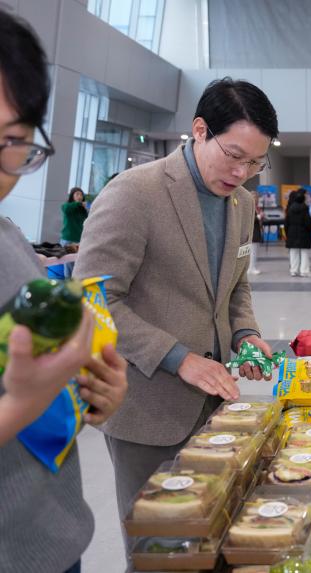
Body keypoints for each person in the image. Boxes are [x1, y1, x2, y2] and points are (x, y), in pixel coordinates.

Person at [74, 77, 277, 553]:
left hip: (216, 407)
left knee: (213, 542)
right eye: (233, 155)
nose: (242, 172)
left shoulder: (242, 204)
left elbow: (235, 283)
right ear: (200, 130)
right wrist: (178, 357)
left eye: (255, 162)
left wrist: (246, 333)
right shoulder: (135, 193)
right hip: (147, 409)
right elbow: (92, 299)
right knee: (159, 552)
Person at [0, 10, 128, 572]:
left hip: (51, 540)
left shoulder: (8, 238)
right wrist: (22, 404)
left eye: (12, 142)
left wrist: (87, 396)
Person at [60, 186, 88, 276]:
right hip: (68, 240)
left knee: (78, 266)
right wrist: (79, 204)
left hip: (79, 240)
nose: (80, 196)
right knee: (69, 266)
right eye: (77, 194)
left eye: (81, 194)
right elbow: (66, 209)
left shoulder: (82, 210)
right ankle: (69, 287)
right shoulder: (67, 206)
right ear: (72, 196)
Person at [285, 188, 311, 277]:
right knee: (304, 253)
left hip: (292, 233)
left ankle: (293, 270)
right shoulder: (305, 209)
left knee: (293, 253)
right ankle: (304, 271)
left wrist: (287, 233)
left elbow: (286, 223)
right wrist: (310, 229)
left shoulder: (290, 209)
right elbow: (308, 222)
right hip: (303, 234)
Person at [248, 189, 263, 274]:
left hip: (256, 231)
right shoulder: (249, 206)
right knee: (252, 252)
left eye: (257, 197)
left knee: (254, 251)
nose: (257, 199)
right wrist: (259, 217)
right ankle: (251, 268)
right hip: (252, 233)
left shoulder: (257, 207)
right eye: (255, 197)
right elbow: (250, 219)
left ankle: (252, 267)